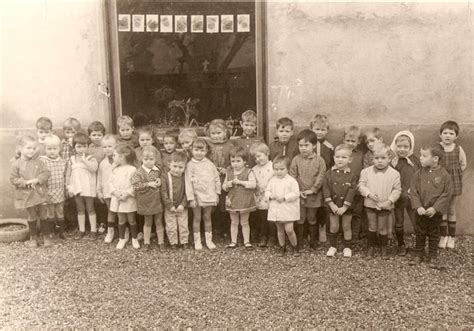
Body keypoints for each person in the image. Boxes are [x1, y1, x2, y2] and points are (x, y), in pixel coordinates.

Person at [409, 144, 453, 269]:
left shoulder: (445, 176)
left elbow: (446, 194)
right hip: (421, 211)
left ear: (435, 159)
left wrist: (435, 208)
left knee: (434, 233)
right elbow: (413, 191)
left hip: (435, 212)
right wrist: (418, 206)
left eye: (424, 156)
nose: (420, 158)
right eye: (420, 155)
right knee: (419, 232)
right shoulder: (418, 174)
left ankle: (433, 255)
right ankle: (418, 253)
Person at [359, 143, 401, 259]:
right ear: (372, 159)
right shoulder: (366, 172)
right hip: (370, 204)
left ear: (389, 159)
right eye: (377, 158)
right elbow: (361, 185)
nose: (380, 161)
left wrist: (390, 201)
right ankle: (371, 247)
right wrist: (369, 194)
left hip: (385, 205)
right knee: (372, 226)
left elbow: (397, 190)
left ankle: (384, 249)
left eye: (383, 158)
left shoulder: (394, 174)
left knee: (383, 227)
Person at [289, 129, 326, 251]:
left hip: (313, 195)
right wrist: (298, 191)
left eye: (306, 145)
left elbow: (321, 177)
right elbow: (292, 176)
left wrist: (313, 189)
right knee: (300, 218)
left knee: (312, 217)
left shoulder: (320, 161)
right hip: (300, 195)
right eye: (301, 145)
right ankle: (299, 242)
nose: (303, 148)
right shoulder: (296, 160)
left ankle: (313, 242)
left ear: (314, 145)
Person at [10, 135, 49, 247]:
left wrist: (37, 179)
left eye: (33, 148)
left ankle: (46, 236)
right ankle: (33, 237)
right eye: (28, 148)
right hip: (27, 195)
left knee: (43, 214)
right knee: (32, 215)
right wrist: (25, 182)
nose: (31, 151)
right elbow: (13, 179)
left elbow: (46, 173)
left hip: (40, 193)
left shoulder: (39, 162)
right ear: (20, 148)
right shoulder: (16, 164)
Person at [323, 144, 358, 257]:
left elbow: (352, 191)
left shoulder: (352, 175)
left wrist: (345, 207)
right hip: (333, 205)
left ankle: (348, 247)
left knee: (346, 226)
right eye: (337, 157)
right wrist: (331, 204)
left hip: (345, 206)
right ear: (333, 158)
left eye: (344, 157)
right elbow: (326, 188)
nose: (340, 159)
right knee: (334, 226)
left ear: (350, 159)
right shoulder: (328, 174)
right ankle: (332, 246)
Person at [185, 138, 221, 250]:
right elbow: (188, 182)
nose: (199, 153)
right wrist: (191, 198)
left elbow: (216, 179)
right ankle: (197, 241)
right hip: (196, 196)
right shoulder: (190, 165)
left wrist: (217, 193)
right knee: (197, 217)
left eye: (202, 150)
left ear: (206, 151)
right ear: (191, 150)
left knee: (207, 216)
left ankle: (209, 240)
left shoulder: (210, 164)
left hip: (209, 195)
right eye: (196, 150)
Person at [389, 130, 421, 255]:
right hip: (398, 197)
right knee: (398, 221)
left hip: (412, 197)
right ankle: (401, 244)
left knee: (416, 221)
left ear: (411, 147)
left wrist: (414, 190)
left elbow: (420, 176)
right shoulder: (392, 161)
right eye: (399, 146)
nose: (402, 149)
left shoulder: (415, 161)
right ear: (394, 146)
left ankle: (419, 245)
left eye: (405, 147)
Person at [438, 121, 467, 249]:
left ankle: (452, 237)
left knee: (451, 209)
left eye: (451, 133)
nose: (448, 135)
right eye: (445, 133)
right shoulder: (437, 148)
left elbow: (463, 164)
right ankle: (443, 236)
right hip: (440, 183)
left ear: (456, 136)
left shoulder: (458, 149)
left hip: (454, 182)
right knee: (442, 209)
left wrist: (456, 174)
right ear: (440, 135)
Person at [265, 156, 300, 257]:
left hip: (288, 209)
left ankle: (295, 247)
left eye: (281, 169)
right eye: (276, 169)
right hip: (276, 209)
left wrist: (285, 197)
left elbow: (296, 193)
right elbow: (267, 191)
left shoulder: (291, 181)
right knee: (280, 230)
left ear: (288, 169)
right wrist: (271, 196)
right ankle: (282, 247)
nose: (278, 172)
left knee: (289, 230)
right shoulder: (272, 180)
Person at [65, 132, 99, 240]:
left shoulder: (91, 158)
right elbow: (68, 174)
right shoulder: (72, 159)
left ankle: (93, 230)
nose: (82, 149)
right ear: (74, 147)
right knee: (80, 208)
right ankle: (82, 230)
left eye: (84, 146)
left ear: (88, 146)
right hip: (77, 187)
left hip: (88, 187)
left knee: (90, 208)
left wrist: (85, 161)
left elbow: (94, 169)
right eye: (79, 146)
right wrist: (68, 187)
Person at [222, 147, 257, 249]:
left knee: (245, 222)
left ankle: (247, 241)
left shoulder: (249, 171)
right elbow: (224, 187)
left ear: (244, 161)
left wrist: (241, 182)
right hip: (232, 200)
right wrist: (228, 184)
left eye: (238, 161)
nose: (235, 164)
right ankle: (233, 241)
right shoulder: (229, 172)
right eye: (233, 161)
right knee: (234, 221)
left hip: (245, 200)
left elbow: (253, 184)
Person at [131, 146, 164, 251]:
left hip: (157, 200)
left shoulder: (158, 170)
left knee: (159, 221)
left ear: (155, 159)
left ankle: (161, 242)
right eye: (146, 159)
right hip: (145, 201)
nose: (149, 162)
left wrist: (160, 180)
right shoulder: (138, 172)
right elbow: (136, 186)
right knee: (148, 222)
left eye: (151, 159)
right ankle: (146, 242)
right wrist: (148, 184)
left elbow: (163, 179)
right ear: (141, 158)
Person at [206, 119, 233, 239]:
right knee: (213, 203)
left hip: (224, 178)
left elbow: (235, 160)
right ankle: (214, 229)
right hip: (211, 179)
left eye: (219, 133)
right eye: (213, 134)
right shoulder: (207, 146)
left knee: (224, 203)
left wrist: (227, 169)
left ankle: (225, 229)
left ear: (225, 132)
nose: (216, 136)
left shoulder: (230, 146)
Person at [110, 144, 139, 249]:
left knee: (131, 220)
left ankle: (134, 238)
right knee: (121, 219)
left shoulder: (132, 169)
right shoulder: (115, 169)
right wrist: (115, 192)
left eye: (114, 155)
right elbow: (110, 183)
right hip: (117, 198)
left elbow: (135, 185)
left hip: (128, 199)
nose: (113, 157)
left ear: (121, 157)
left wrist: (126, 194)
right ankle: (122, 239)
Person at [40, 135, 67, 242]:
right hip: (48, 190)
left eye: (54, 149)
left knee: (60, 211)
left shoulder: (63, 161)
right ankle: (51, 232)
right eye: (49, 149)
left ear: (59, 149)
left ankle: (62, 231)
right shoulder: (42, 161)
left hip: (59, 190)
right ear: (45, 149)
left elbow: (65, 176)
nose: (52, 151)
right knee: (50, 213)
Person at [161, 151, 189, 249]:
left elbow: (188, 192)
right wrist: (169, 205)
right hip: (170, 207)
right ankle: (173, 242)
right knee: (171, 226)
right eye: (175, 166)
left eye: (180, 167)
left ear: (185, 167)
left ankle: (184, 241)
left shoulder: (185, 177)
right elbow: (163, 192)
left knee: (183, 225)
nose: (177, 170)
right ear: (169, 165)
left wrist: (183, 204)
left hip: (182, 206)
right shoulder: (165, 177)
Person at [250, 142, 275, 247]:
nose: (257, 159)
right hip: (260, 197)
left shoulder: (273, 166)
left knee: (272, 218)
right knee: (262, 218)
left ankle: (273, 236)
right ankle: (263, 236)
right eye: (255, 158)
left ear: (267, 153)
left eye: (259, 156)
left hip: (272, 196)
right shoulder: (254, 169)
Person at [343, 126, 365, 242]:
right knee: (345, 211)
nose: (350, 143)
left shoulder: (360, 154)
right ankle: (345, 234)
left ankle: (355, 235)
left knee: (357, 212)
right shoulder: (341, 153)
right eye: (347, 140)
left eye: (353, 141)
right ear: (343, 140)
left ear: (359, 141)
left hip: (357, 189)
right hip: (343, 189)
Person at [97, 134, 119, 244]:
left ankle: (124, 232)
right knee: (111, 211)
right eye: (105, 147)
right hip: (107, 193)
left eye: (110, 146)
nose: (107, 149)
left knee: (121, 212)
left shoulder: (119, 161)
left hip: (119, 192)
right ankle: (110, 232)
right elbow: (99, 179)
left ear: (116, 146)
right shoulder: (102, 163)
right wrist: (99, 191)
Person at [87, 121, 107, 233]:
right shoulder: (89, 147)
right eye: (94, 135)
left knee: (102, 200)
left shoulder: (104, 147)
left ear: (103, 135)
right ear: (89, 136)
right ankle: (96, 222)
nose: (96, 137)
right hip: (91, 177)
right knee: (93, 200)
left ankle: (104, 222)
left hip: (102, 176)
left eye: (99, 135)